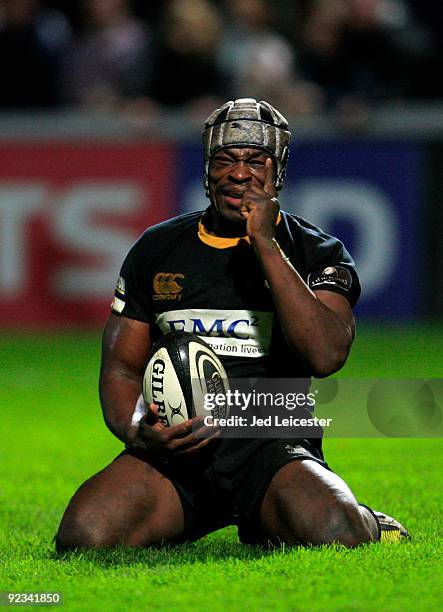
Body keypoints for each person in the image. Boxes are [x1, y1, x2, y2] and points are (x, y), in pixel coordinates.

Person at [55, 98, 409, 550]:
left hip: (271, 444)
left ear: (277, 173)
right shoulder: (157, 248)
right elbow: (122, 367)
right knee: (83, 538)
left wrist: (263, 242)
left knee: (338, 534)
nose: (238, 174)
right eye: (224, 160)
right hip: (179, 450)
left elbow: (326, 355)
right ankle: (226, 516)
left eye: (254, 162)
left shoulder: (317, 251)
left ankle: (364, 521)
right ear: (207, 169)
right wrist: (137, 428)